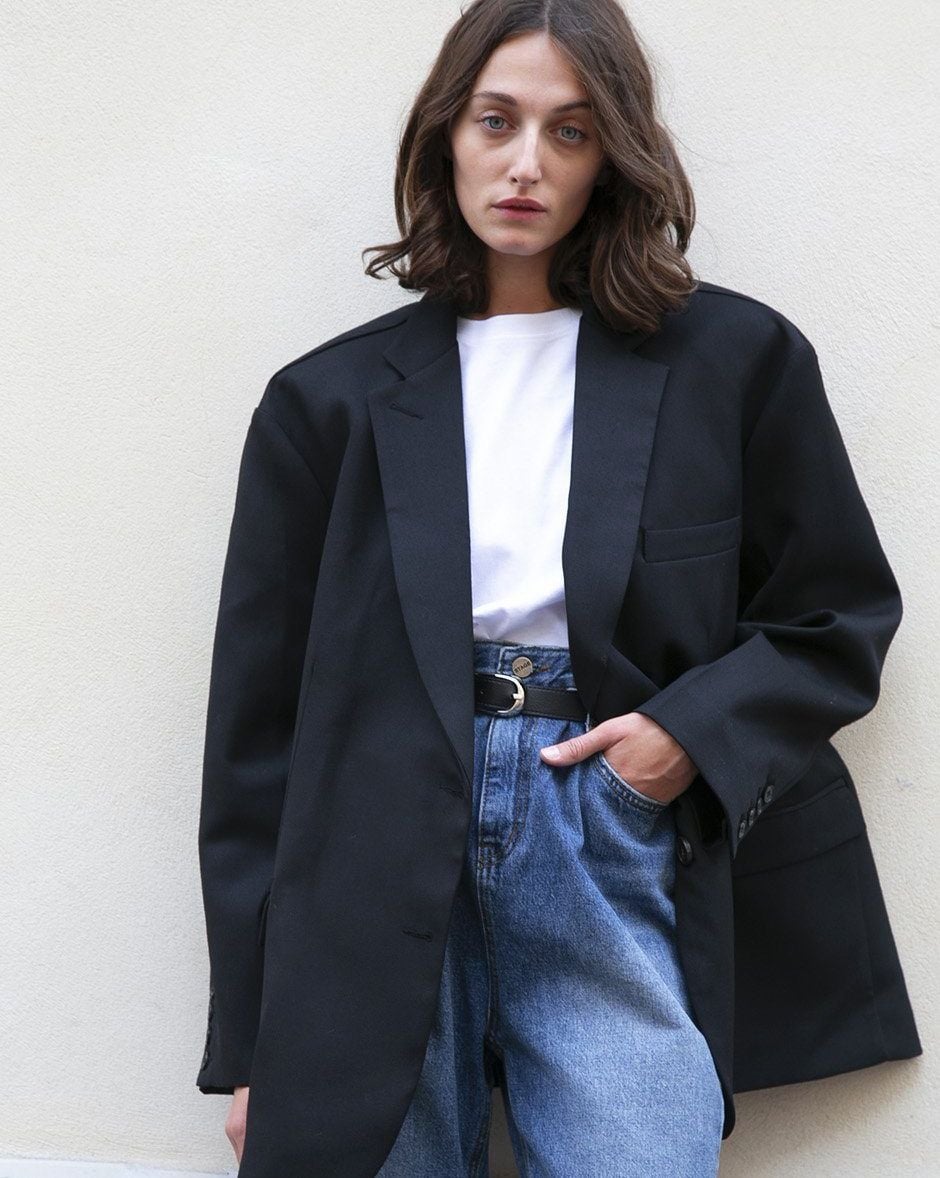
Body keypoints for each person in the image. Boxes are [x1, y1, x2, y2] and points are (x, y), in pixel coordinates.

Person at [196, 2, 921, 1175]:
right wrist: (250, 1038)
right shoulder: (325, 403)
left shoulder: (732, 362)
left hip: (603, 822)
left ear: (612, 157)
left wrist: (677, 741)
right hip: (374, 842)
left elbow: (834, 617)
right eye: (496, 121)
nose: (526, 162)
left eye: (569, 131)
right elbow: (255, 740)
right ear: (446, 137)